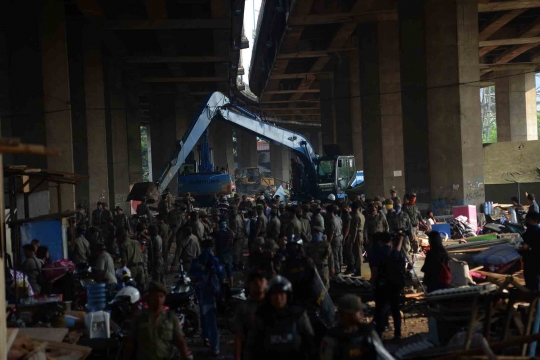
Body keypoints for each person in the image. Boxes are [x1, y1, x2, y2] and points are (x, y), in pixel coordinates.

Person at [244, 276, 315, 360]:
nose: (278, 298)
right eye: (275, 294)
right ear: (269, 296)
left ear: (287, 295)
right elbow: (251, 347)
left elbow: (310, 343)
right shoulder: (261, 316)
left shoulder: (299, 315)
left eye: (282, 294)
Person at [125, 281, 192, 360]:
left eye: (161, 296)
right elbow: (130, 343)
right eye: (155, 296)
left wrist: (185, 356)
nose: (158, 299)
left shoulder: (170, 318)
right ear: (148, 297)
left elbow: (180, 341)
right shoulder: (139, 318)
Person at [320, 294, 392, 360]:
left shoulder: (367, 332)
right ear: (346, 314)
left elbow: (383, 355)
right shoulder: (332, 338)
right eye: (357, 311)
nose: (362, 313)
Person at [189, 240, 224, 356]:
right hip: (213, 293)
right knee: (211, 319)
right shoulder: (215, 260)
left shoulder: (198, 260)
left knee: (205, 318)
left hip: (203, 293)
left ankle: (209, 341)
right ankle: (214, 345)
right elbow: (221, 274)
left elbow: (192, 275)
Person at [370, 232, 405, 339]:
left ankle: (379, 333)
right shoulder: (396, 253)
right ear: (391, 241)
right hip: (395, 285)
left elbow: (374, 270)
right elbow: (403, 270)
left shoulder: (377, 252)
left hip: (382, 284)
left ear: (380, 241)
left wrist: (372, 283)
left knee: (380, 309)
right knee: (395, 309)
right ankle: (398, 333)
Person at [232, 271, 267, 360]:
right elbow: (238, 336)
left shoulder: (273, 304)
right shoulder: (243, 308)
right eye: (255, 282)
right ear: (250, 285)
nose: (258, 284)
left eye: (261, 280)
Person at [281, 236, 317, 308]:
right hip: (292, 296)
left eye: (295, 246)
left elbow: (314, 279)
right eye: (291, 246)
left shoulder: (307, 261)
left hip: (306, 295)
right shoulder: (286, 263)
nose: (293, 248)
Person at [519, 212, 540, 291]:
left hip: (533, 260)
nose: (527, 222)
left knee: (532, 280)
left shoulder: (535, 232)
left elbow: (526, 246)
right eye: (526, 219)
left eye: (529, 220)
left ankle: (534, 298)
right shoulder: (529, 232)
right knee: (531, 280)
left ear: (536, 221)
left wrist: (523, 247)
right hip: (530, 259)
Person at [212, 221, 235, 286]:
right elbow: (233, 233)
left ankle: (222, 286)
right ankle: (231, 286)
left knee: (221, 272)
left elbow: (210, 233)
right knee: (229, 271)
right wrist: (227, 227)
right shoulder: (229, 234)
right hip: (228, 254)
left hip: (220, 254)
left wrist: (211, 226)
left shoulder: (217, 233)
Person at [325, 205, 343, 275]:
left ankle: (337, 270)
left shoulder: (331, 220)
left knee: (334, 255)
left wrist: (329, 242)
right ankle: (340, 267)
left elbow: (331, 232)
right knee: (340, 253)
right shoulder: (338, 218)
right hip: (340, 236)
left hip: (335, 238)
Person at [349, 202, 365, 276]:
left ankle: (359, 270)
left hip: (357, 235)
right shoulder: (362, 215)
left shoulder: (355, 216)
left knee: (358, 253)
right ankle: (359, 269)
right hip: (361, 234)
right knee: (359, 252)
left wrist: (353, 240)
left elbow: (355, 229)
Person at [229, 207, 247, 271]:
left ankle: (236, 267)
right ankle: (241, 265)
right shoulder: (239, 216)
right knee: (241, 252)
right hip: (241, 236)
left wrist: (231, 240)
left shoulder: (234, 220)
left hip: (237, 237)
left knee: (236, 253)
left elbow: (234, 232)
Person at [341, 202, 354, 275]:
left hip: (347, 236)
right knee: (346, 251)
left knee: (349, 251)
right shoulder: (343, 215)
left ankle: (351, 267)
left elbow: (347, 228)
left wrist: (344, 238)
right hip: (345, 235)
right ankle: (349, 266)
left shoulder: (347, 216)